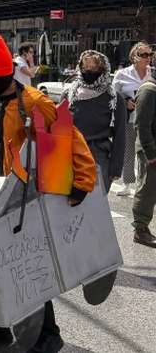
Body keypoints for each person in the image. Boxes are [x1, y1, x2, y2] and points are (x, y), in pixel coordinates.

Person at [0, 35, 96, 353]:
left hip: (23, 199)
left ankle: (47, 335)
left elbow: (70, 137)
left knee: (29, 267)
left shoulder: (34, 101)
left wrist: (83, 181)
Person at [62, 51, 126, 193]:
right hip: (70, 155)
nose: (89, 71)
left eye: (94, 68)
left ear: (103, 69)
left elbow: (120, 135)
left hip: (98, 157)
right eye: (86, 68)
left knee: (95, 201)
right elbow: (59, 126)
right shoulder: (69, 94)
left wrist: (115, 168)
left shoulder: (114, 98)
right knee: (67, 201)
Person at [113, 42, 152, 197]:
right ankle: (127, 184)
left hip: (149, 122)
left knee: (146, 153)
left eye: (150, 54)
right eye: (144, 55)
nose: (148, 58)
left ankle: (144, 184)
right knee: (128, 151)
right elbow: (113, 95)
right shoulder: (122, 74)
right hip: (129, 119)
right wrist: (125, 102)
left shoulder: (153, 73)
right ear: (134, 56)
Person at [132, 57, 156, 248]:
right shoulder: (149, 90)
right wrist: (151, 153)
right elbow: (141, 124)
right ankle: (140, 230)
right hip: (151, 150)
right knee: (147, 189)